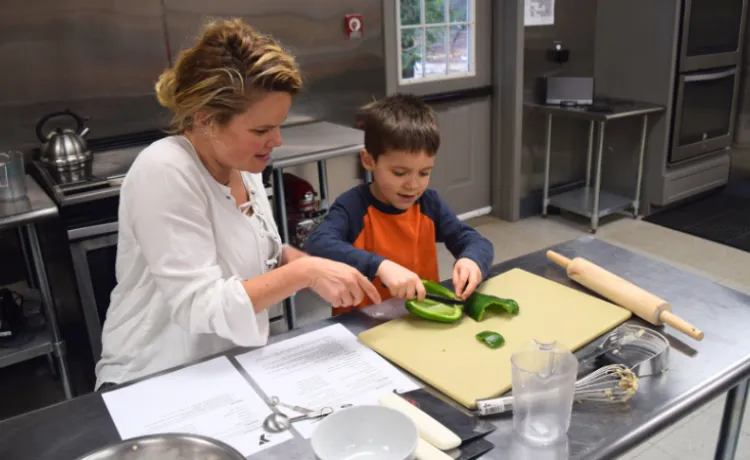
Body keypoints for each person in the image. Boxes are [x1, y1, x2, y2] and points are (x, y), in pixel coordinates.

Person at [95, 19, 380, 389]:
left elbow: (268, 254)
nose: (276, 140)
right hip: (155, 377)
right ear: (206, 119)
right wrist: (305, 275)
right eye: (261, 130)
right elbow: (200, 305)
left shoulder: (242, 165)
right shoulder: (165, 170)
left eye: (278, 125)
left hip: (226, 365)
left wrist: (322, 268)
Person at [305, 94, 493, 316]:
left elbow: (475, 241)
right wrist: (380, 266)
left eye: (424, 173)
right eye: (399, 173)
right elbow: (318, 244)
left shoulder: (428, 204)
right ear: (368, 161)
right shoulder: (353, 206)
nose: (413, 185)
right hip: (362, 325)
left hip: (418, 319)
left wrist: (471, 260)